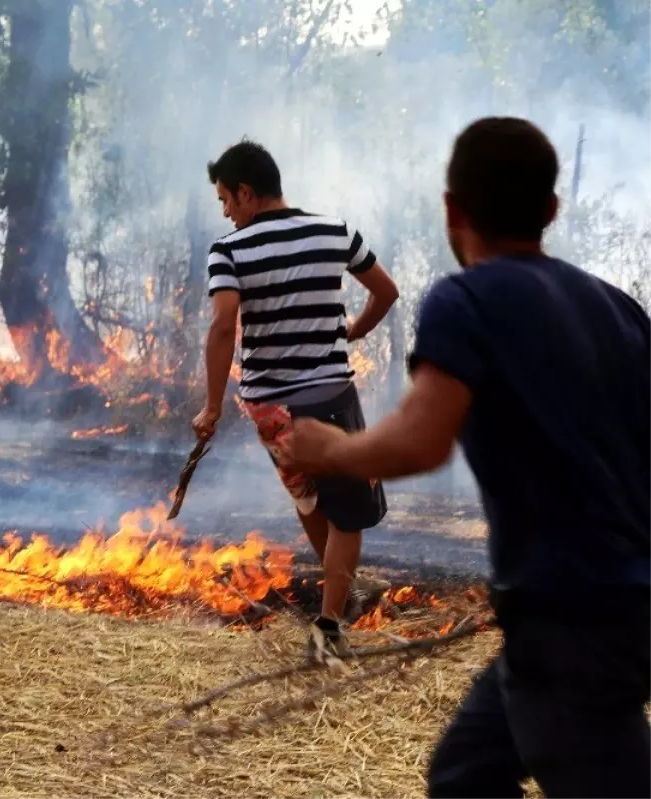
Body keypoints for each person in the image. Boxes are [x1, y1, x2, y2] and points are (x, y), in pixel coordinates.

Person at [280, 116, 651, 796]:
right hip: (609, 610)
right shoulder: (617, 306)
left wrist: (334, 447)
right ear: (549, 210)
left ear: (452, 209)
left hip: (573, 615)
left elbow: (422, 440)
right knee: (465, 772)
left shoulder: (468, 297)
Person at [192, 139, 399, 658]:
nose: (224, 212)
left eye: (224, 199)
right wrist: (353, 332)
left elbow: (223, 328)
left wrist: (213, 405)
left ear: (245, 192)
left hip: (269, 409)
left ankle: (338, 601)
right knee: (347, 512)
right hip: (330, 395)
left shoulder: (230, 250)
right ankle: (331, 626)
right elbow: (387, 292)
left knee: (309, 496)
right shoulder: (335, 230)